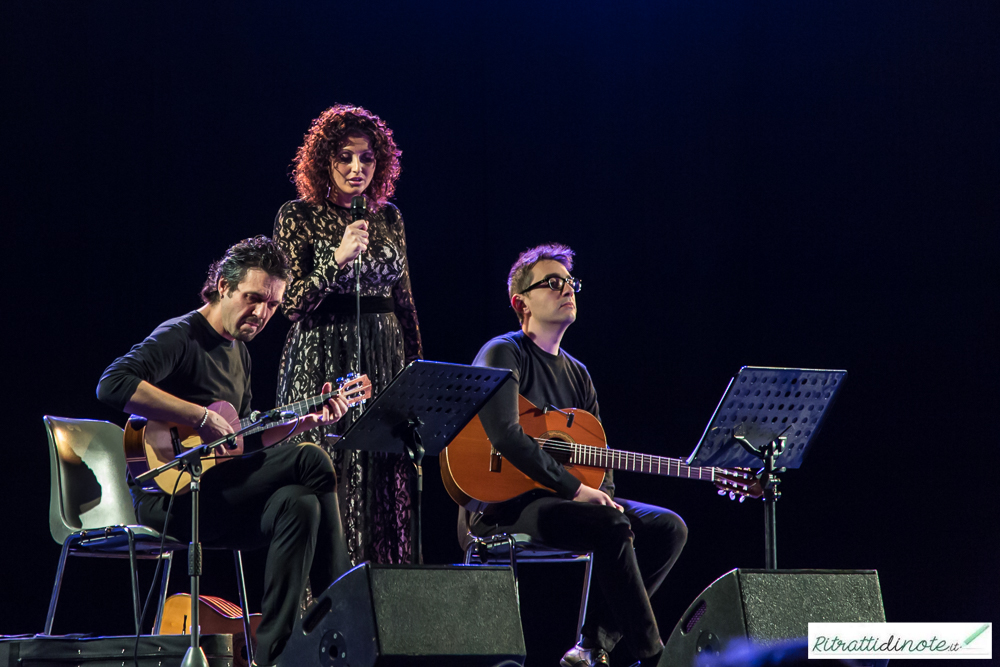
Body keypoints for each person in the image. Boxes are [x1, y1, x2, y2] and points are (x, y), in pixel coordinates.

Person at [97, 236, 353, 667]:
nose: (261, 313)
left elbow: (243, 439)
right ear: (222, 287)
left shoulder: (242, 354)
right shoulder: (181, 336)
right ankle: (346, 613)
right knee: (311, 460)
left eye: (272, 305)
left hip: (218, 494)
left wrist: (302, 422)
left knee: (300, 504)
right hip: (171, 500)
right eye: (253, 299)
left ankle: (276, 654)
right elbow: (112, 384)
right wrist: (197, 415)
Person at [460, 243, 688, 667]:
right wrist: (577, 489)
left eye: (570, 283)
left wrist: (605, 493)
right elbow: (507, 437)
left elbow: (598, 458)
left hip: (569, 502)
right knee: (607, 520)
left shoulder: (578, 374)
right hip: (503, 507)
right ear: (520, 302)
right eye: (552, 283)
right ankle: (654, 657)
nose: (567, 290)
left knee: (668, 528)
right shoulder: (503, 352)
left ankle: (592, 646)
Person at [273, 104, 422, 565]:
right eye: (344, 157)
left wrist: (414, 377)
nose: (356, 168)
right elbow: (291, 303)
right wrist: (335, 258)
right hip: (319, 354)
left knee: (382, 480)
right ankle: (321, 611)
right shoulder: (297, 215)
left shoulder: (390, 219)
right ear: (324, 161)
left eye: (367, 159)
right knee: (327, 474)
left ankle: (385, 611)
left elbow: (405, 302)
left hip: (384, 355)